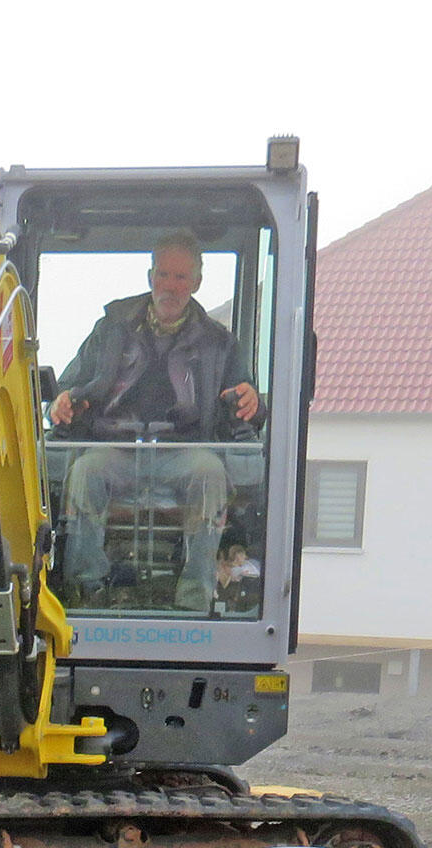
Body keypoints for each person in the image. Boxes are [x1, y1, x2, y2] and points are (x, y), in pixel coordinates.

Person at [49, 236, 261, 612]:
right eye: (163, 274)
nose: (171, 285)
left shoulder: (220, 343)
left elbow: (249, 404)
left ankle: (195, 597)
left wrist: (252, 400)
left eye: (181, 277)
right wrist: (61, 402)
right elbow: (68, 385)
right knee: (83, 472)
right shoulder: (110, 328)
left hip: (184, 452)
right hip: (115, 449)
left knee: (210, 474)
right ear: (150, 276)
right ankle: (87, 590)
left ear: (196, 283)